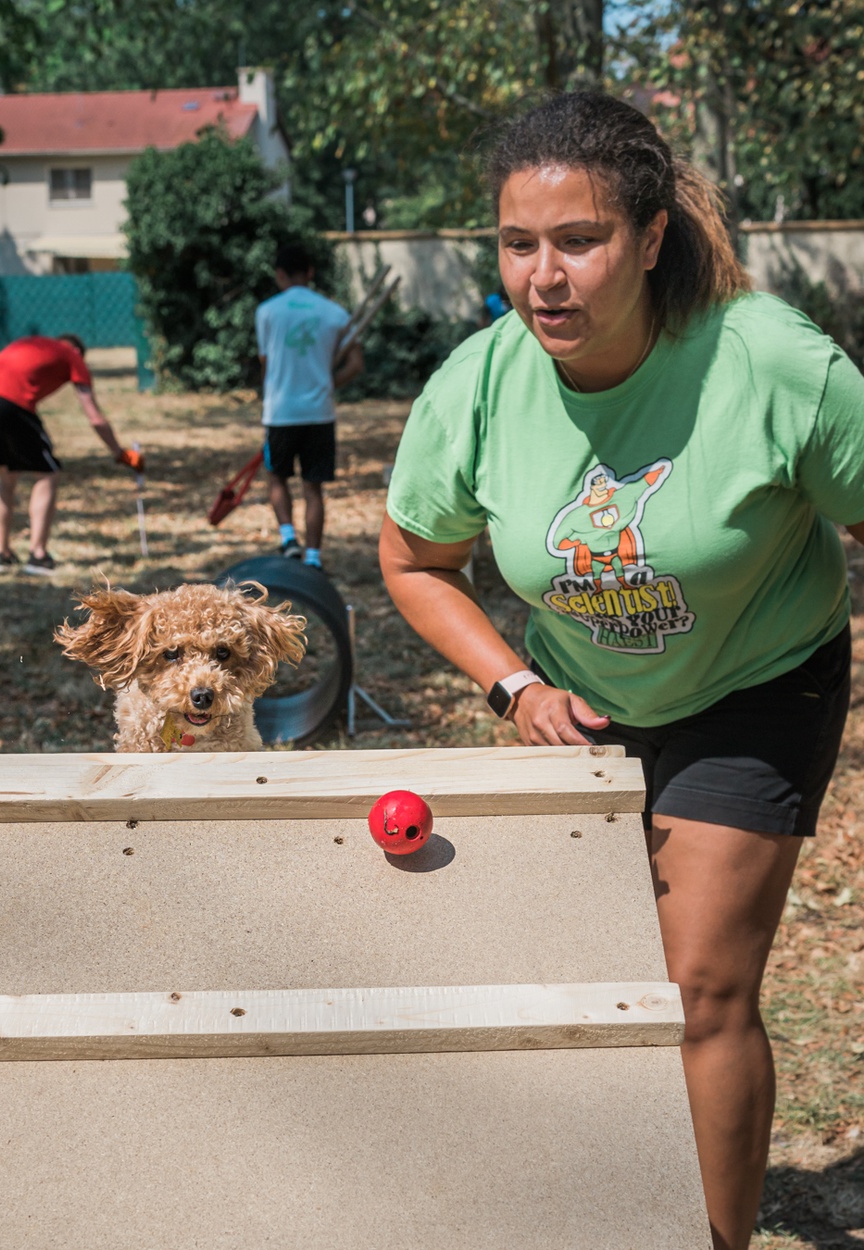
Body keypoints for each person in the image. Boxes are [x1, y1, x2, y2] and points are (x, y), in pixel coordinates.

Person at [379, 91, 864, 1250]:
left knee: (699, 984)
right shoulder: (479, 383)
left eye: (579, 240)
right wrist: (514, 685)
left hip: (760, 679)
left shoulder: (771, 363)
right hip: (580, 700)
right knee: (593, 989)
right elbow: (412, 558)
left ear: (649, 241)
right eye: (517, 243)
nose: (544, 276)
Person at [0, 333, 143, 575]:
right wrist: (120, 453)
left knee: (5, 475)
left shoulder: (32, 343)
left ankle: (2, 555)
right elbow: (94, 417)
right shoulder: (72, 356)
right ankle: (38, 555)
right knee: (48, 474)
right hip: (12, 402)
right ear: (77, 351)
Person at [255, 244, 364, 571]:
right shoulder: (334, 313)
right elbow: (355, 363)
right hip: (319, 412)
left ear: (279, 274)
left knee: (277, 478)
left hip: (281, 412)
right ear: (311, 272)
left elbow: (265, 364)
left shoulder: (268, 311)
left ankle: (289, 538)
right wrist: (329, 383)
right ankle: (313, 558)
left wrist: (270, 392)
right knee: (312, 487)